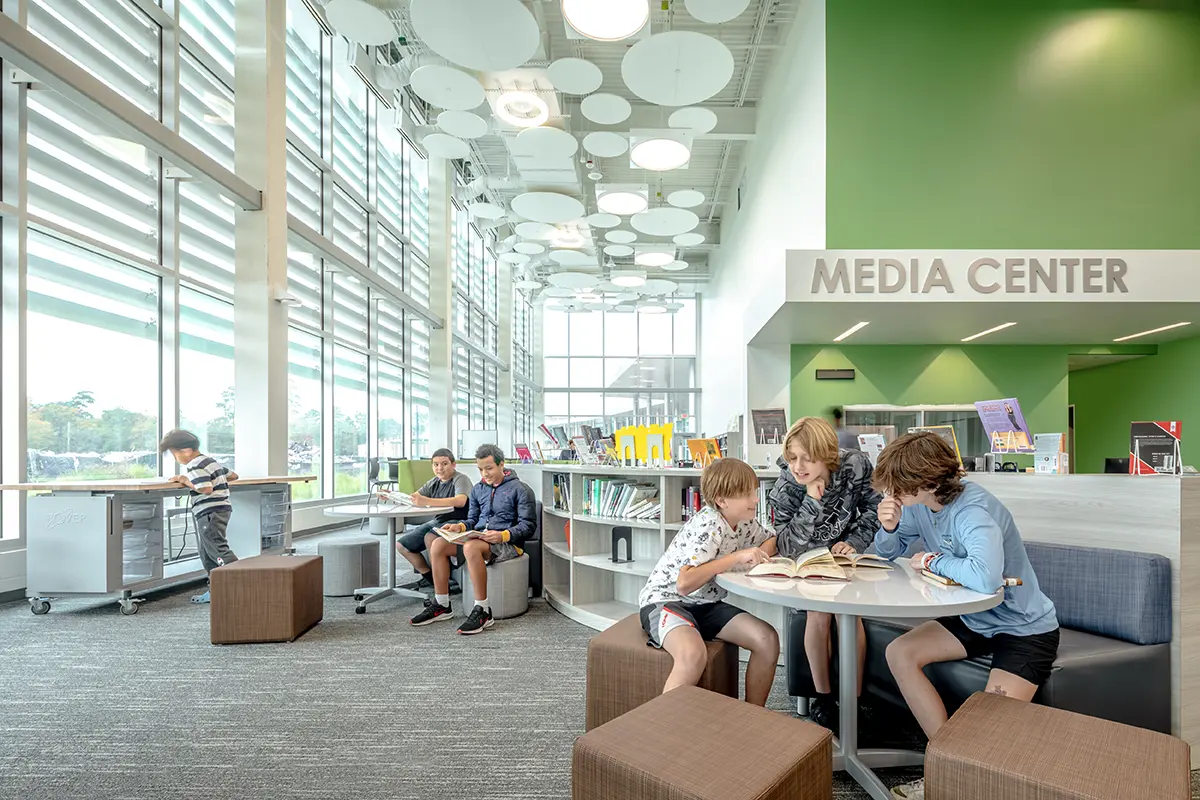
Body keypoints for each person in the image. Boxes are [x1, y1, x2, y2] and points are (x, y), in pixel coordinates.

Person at [872, 431, 1059, 800]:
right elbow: (886, 553)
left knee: (987, 730)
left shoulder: (974, 511)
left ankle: (956, 776)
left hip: (1022, 627)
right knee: (900, 652)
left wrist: (931, 559)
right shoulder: (919, 505)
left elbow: (987, 577)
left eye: (898, 486)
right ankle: (948, 766)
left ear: (926, 481)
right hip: (975, 619)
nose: (890, 494)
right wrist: (889, 527)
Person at [768, 416, 881, 732]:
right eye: (792, 457)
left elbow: (874, 508)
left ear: (828, 456)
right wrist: (811, 500)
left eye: (807, 458)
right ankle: (823, 697)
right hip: (806, 561)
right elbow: (786, 545)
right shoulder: (786, 487)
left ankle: (854, 700)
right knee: (819, 614)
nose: (798, 466)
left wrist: (854, 541)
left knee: (851, 616)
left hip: (844, 559)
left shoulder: (856, 465)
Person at [637, 458, 780, 706]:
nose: (755, 500)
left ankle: (751, 719)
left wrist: (757, 556)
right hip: (666, 601)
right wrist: (734, 558)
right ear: (722, 501)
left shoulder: (744, 522)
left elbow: (772, 541)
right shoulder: (709, 523)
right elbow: (684, 583)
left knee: (767, 639)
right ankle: (661, 734)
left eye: (754, 493)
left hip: (705, 604)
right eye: (747, 494)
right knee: (692, 655)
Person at [409, 444, 537, 635]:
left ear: (502, 465)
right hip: (479, 539)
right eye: (480, 469)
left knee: (470, 548)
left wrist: (503, 535)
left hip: (507, 544)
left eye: (489, 468)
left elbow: (528, 526)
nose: (484, 473)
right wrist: (459, 527)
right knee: (437, 544)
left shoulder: (520, 489)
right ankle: (442, 604)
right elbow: (472, 520)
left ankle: (483, 610)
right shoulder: (478, 490)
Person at [159, 429, 239, 605]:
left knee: (218, 550)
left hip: (209, 512)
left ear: (185, 450)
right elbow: (233, 475)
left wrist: (184, 479)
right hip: (221, 509)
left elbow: (205, 488)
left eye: (174, 454)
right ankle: (216, 589)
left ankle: (240, 583)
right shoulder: (211, 462)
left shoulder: (195, 465)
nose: (175, 459)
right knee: (206, 552)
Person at [395, 449, 474, 590]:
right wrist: (392, 496)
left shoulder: (460, 479)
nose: (439, 468)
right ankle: (430, 577)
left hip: (459, 522)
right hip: (438, 521)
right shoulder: (433, 482)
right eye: (436, 464)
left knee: (430, 538)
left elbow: (460, 501)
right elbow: (415, 497)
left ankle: (444, 582)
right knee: (402, 545)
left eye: (444, 464)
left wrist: (427, 500)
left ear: (453, 464)